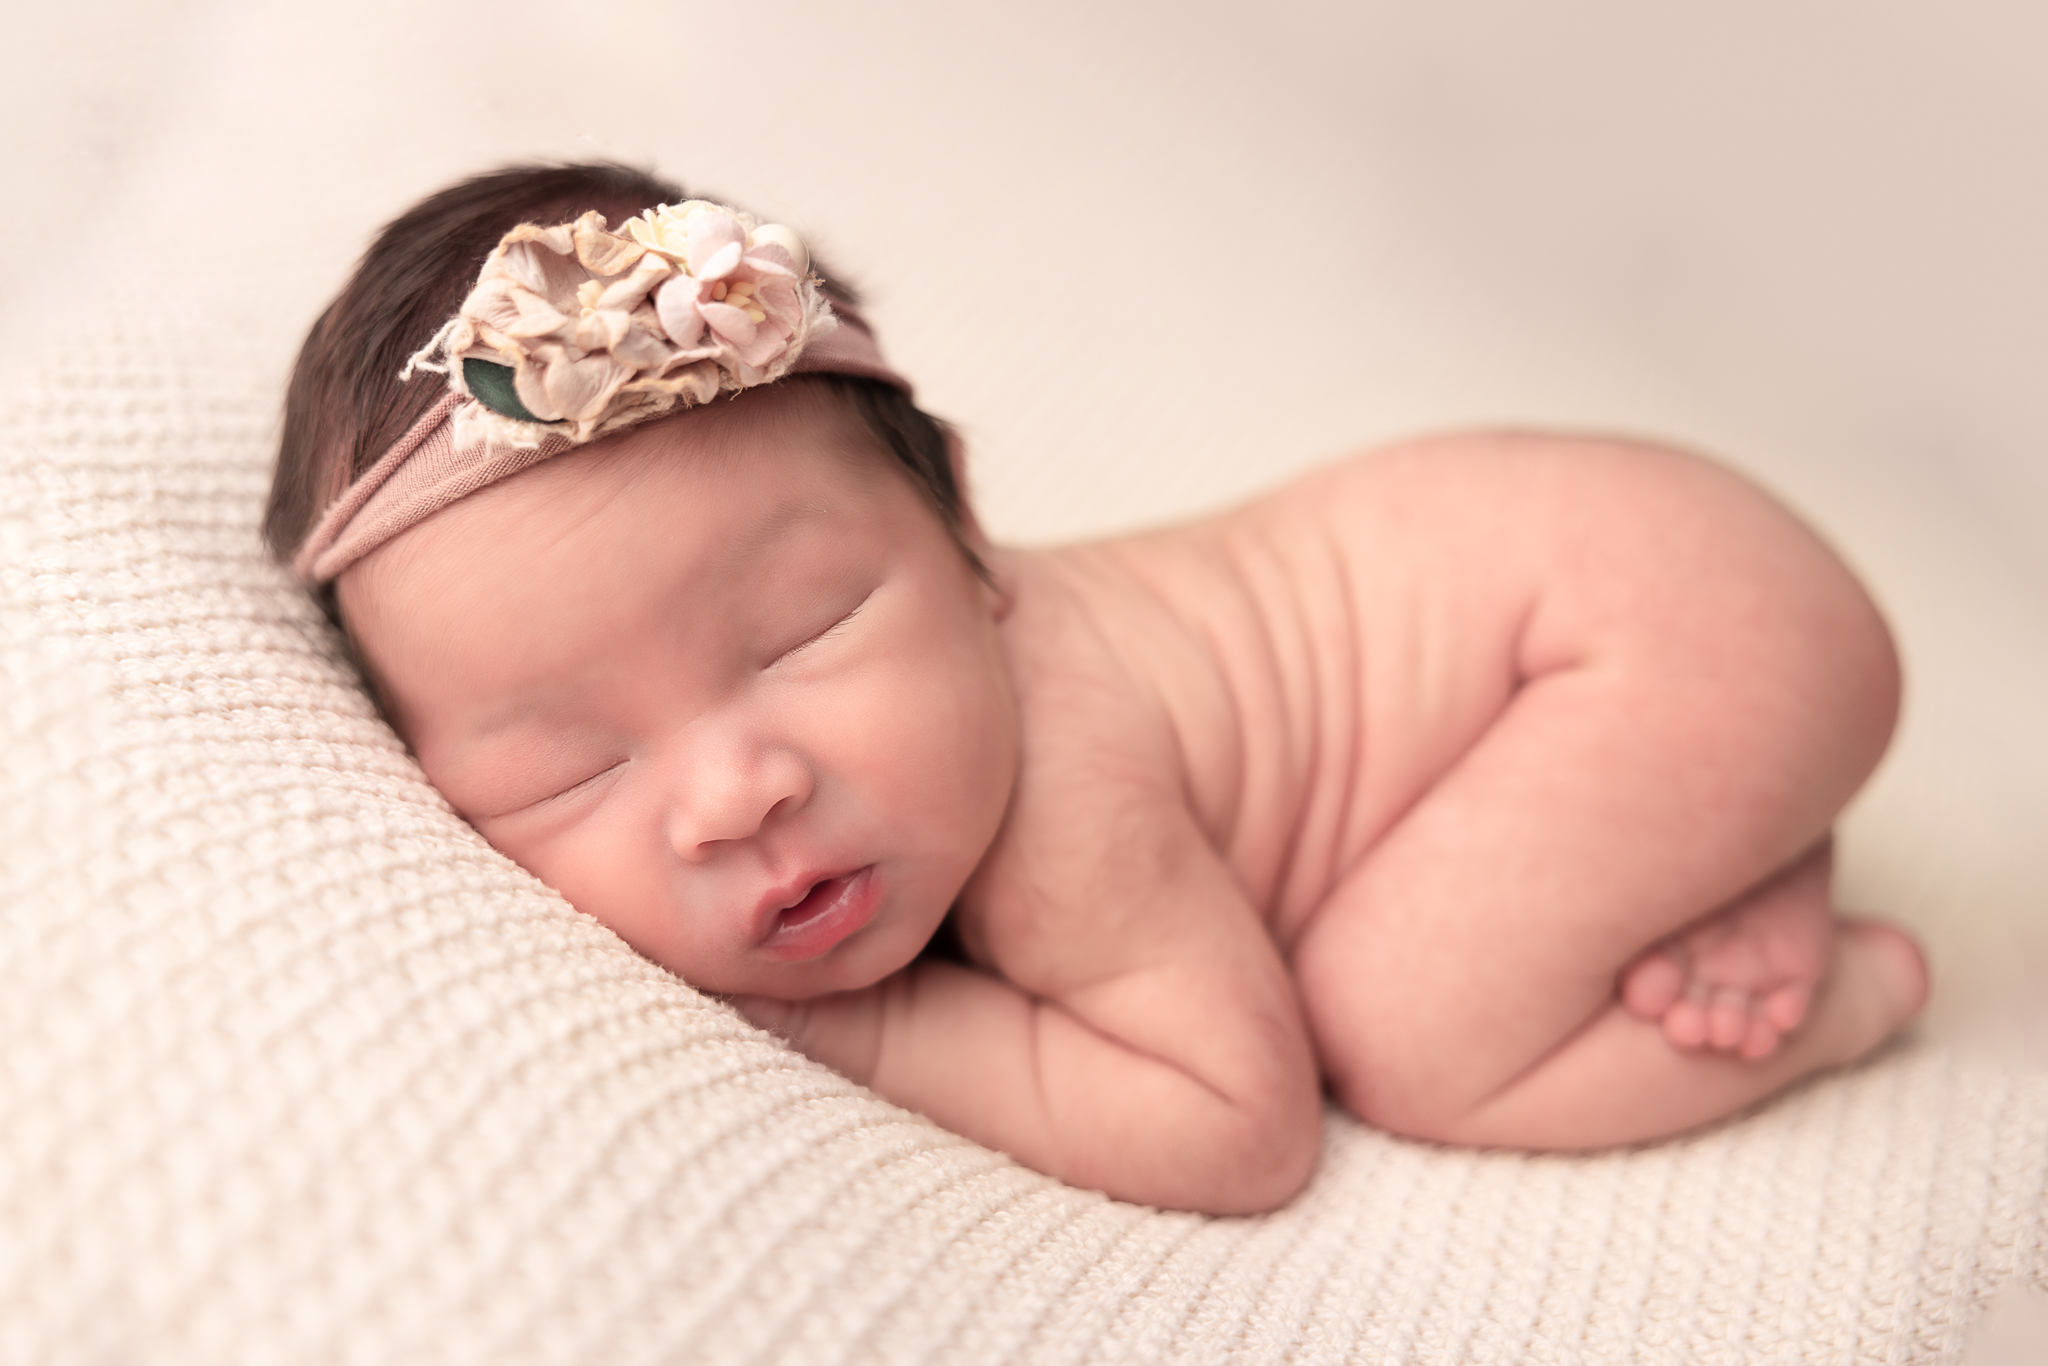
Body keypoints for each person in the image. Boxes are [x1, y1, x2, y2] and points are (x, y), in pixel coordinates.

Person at [268, 163, 1929, 1216]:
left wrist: (863, 1020)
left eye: (803, 633)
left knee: (1410, 1030)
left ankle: (1844, 988)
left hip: (1653, 624)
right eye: (572, 766)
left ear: (968, 539)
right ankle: (1729, 836)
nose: (735, 789)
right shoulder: (905, 735)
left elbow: (1235, 1125)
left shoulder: (1060, 786)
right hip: (1624, 608)